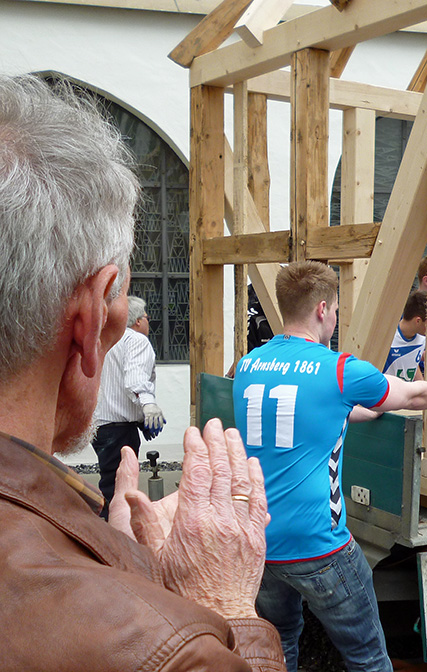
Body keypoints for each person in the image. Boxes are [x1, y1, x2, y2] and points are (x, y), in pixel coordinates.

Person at [0, 74, 284, 671]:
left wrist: (114, 556)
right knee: (116, 473)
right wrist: (223, 608)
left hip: (117, 429)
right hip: (120, 424)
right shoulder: (161, 649)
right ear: (91, 320)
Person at [232, 260, 427, 672]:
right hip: (319, 545)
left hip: (261, 542)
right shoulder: (338, 369)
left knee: (281, 644)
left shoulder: (249, 365)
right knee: (367, 658)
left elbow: (307, 412)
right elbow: (413, 395)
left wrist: (360, 409)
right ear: (322, 310)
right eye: (335, 310)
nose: (334, 318)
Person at [91, 295, 165, 519]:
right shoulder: (136, 340)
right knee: (120, 489)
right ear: (138, 321)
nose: (148, 322)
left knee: (110, 482)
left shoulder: (106, 338)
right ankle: (113, 532)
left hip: (100, 426)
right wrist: (149, 405)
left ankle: (108, 526)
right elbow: (134, 380)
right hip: (119, 429)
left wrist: (140, 419)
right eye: (147, 317)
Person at [383, 290, 427, 381]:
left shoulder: (422, 339)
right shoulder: (387, 338)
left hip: (407, 389)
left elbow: (412, 361)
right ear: (418, 321)